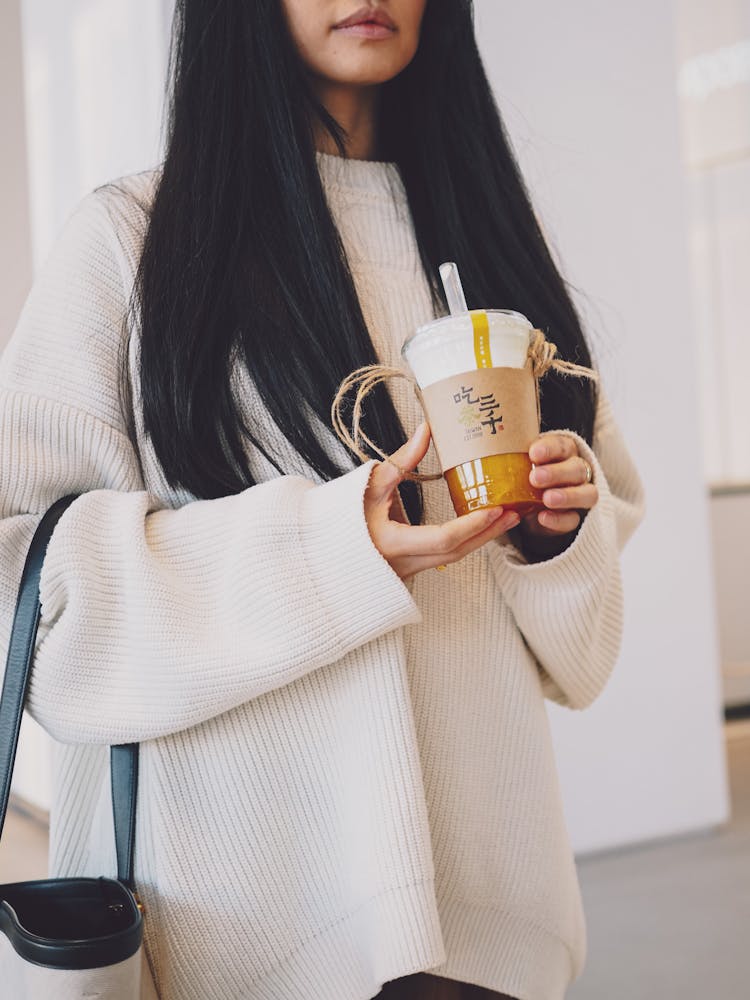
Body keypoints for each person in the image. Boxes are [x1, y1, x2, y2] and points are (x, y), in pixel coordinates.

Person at [0, 1, 644, 998]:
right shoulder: (132, 243)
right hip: (233, 946)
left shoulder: (486, 252)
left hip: (489, 936)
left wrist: (557, 538)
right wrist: (333, 550)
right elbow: (23, 594)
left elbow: (585, 639)